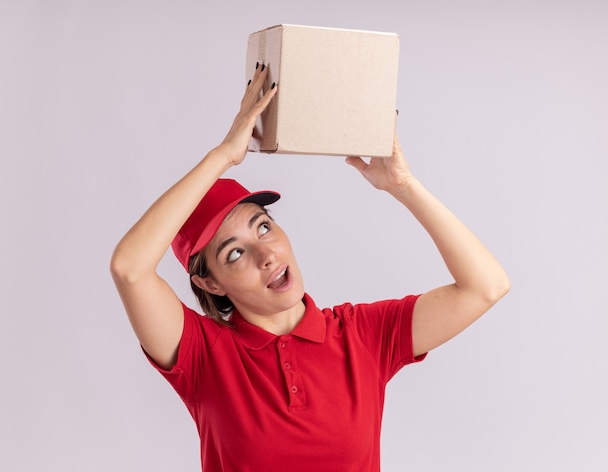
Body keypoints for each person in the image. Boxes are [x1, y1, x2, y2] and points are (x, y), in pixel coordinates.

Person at [110, 63, 510, 472]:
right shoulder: (204, 357)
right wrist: (224, 156)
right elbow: (130, 268)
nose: (265, 255)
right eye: (234, 253)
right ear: (209, 283)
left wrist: (404, 188)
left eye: (263, 227)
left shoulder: (364, 336)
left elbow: (486, 286)